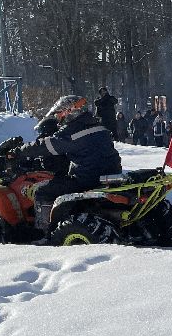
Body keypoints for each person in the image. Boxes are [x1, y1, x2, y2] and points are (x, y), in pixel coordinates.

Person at [18, 95, 122, 234]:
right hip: (110, 175)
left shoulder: (73, 131)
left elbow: (45, 145)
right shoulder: (98, 127)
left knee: (42, 191)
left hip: (87, 179)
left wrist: (19, 151)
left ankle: (44, 232)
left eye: (60, 113)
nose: (59, 118)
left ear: (70, 111)